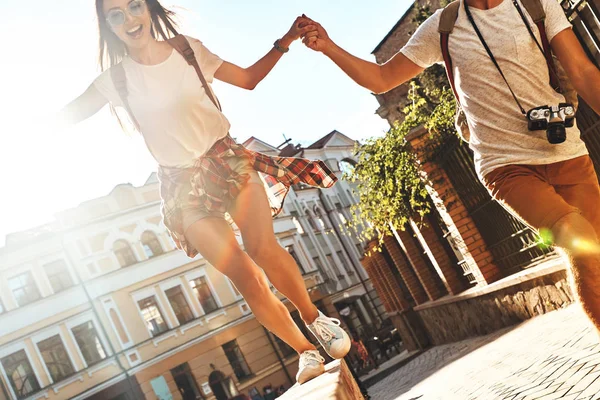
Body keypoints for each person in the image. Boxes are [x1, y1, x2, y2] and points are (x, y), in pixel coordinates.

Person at [57, 0, 350, 384]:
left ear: (148, 10)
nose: (128, 18)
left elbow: (247, 79)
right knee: (245, 275)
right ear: (108, 25)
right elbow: (66, 116)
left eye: (134, 6)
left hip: (226, 161)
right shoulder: (116, 80)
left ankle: (316, 319)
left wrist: (286, 41)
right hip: (182, 187)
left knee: (262, 247)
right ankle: (304, 351)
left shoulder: (185, 49)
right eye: (116, 14)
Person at [300, 0, 600, 332]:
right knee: (579, 238)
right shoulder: (443, 27)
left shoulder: (537, 6)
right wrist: (328, 46)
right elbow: (382, 78)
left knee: (594, 256)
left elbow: (583, 72)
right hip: (505, 165)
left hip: (566, 152)